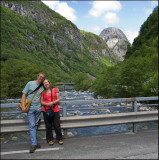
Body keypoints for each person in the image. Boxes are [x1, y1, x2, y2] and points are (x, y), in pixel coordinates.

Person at [21, 72, 45, 153]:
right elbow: (24, 94)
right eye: (40, 76)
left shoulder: (42, 86)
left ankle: (35, 143)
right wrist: (23, 106)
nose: (41, 78)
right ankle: (33, 144)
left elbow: (49, 88)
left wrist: (57, 90)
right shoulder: (30, 83)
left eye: (42, 77)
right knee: (32, 126)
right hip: (30, 109)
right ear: (37, 76)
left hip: (38, 109)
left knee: (34, 125)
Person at [41, 79, 63, 145]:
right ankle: (50, 139)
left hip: (55, 109)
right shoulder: (43, 92)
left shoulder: (55, 89)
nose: (45, 83)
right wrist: (47, 104)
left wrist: (52, 102)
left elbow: (58, 99)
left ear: (49, 82)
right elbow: (41, 101)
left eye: (46, 82)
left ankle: (59, 138)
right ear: (43, 85)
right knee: (48, 126)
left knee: (57, 125)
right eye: (44, 83)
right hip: (46, 110)